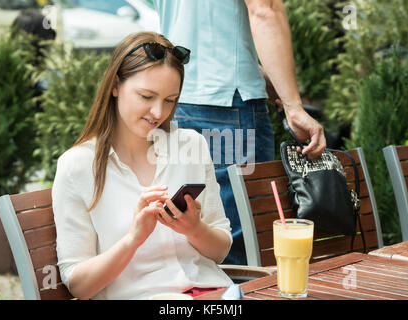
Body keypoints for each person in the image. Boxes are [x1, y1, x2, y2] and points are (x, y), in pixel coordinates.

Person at [52, 32, 234, 300]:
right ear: (115, 85)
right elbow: (79, 285)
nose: (159, 113)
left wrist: (193, 229)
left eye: (170, 100)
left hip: (213, 295)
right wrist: (133, 239)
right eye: (147, 96)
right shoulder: (77, 166)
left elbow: (220, 250)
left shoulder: (191, 146)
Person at [154, 0, 327, 265]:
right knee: (241, 244)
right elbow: (265, 9)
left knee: (190, 234)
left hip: (179, 99)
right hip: (227, 108)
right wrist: (293, 106)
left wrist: (254, 72)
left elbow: (194, 24)